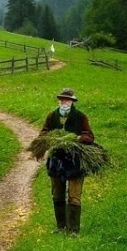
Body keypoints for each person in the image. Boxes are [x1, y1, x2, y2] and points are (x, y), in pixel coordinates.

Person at [39, 88, 94, 234]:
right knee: (57, 195)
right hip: (56, 162)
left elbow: (89, 136)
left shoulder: (80, 117)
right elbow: (43, 133)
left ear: (72, 101)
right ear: (59, 101)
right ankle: (61, 227)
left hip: (75, 162)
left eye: (67, 99)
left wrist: (78, 138)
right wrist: (51, 138)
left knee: (74, 197)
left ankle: (73, 230)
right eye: (62, 99)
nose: (65, 102)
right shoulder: (52, 116)